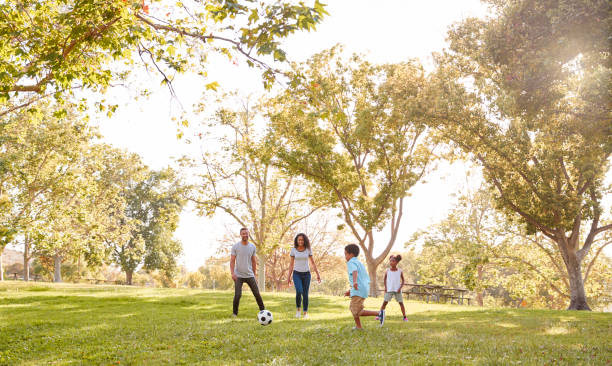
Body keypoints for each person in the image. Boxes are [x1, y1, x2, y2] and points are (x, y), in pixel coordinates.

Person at [343, 244, 381, 330]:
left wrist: (355, 282)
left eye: (346, 254)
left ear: (351, 254)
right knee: (354, 308)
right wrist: (351, 290)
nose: (345, 256)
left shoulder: (351, 262)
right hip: (362, 288)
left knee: (355, 310)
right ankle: (358, 326)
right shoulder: (359, 262)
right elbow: (361, 278)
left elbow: (354, 272)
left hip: (358, 288)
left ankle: (378, 313)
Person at [230, 227, 265, 317]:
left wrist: (254, 274)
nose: (245, 235)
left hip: (250, 275)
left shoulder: (252, 247)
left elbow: (254, 261)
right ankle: (234, 313)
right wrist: (232, 273)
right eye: (243, 233)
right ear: (240, 235)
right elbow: (232, 261)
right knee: (237, 295)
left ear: (248, 234)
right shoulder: (236, 246)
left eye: (246, 233)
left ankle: (263, 311)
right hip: (239, 275)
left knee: (257, 294)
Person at [287, 233, 321, 319]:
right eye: (299, 240)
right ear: (296, 241)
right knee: (299, 291)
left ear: (304, 240)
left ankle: (305, 313)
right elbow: (291, 265)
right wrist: (288, 277)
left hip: (306, 274)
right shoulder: (293, 250)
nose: (300, 241)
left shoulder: (308, 250)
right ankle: (298, 310)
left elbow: (312, 263)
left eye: (302, 240)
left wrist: (318, 274)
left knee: (305, 294)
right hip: (296, 274)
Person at [377, 255, 407, 324]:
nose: (391, 262)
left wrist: (400, 288)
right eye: (390, 261)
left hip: (397, 290)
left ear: (396, 262)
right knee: (385, 303)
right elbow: (385, 279)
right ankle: (379, 315)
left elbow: (403, 281)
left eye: (393, 261)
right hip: (389, 290)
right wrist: (386, 288)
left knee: (401, 303)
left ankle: (404, 317)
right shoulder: (387, 270)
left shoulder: (400, 271)